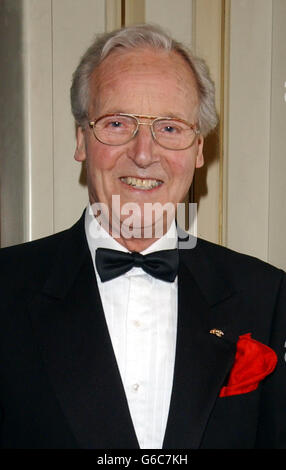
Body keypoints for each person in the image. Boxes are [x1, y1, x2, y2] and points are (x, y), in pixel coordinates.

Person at [0, 23, 285, 450]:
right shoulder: (6, 288)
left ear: (199, 149)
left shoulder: (267, 296)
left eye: (169, 128)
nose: (144, 153)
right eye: (118, 123)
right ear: (81, 139)